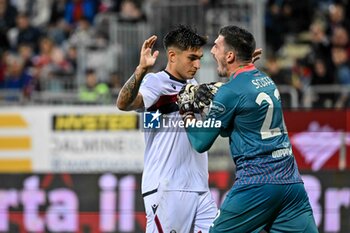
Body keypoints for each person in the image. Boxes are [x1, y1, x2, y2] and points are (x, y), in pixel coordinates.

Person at [179, 25, 319, 232]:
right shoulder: (267, 81)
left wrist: (187, 114)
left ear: (229, 56)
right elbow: (234, 126)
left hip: (256, 185)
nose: (212, 51)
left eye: (216, 46)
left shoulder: (230, 92)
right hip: (291, 184)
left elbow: (201, 142)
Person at [116, 25, 218, 232]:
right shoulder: (156, 83)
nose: (197, 64)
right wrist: (141, 70)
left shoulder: (193, 85)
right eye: (192, 58)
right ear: (172, 55)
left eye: (199, 58)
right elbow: (124, 104)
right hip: (168, 187)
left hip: (199, 187)